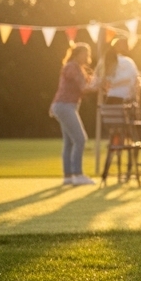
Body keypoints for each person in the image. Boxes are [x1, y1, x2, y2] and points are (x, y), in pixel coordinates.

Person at [50, 43, 98, 186]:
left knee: (70, 142)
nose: (87, 57)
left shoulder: (77, 68)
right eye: (85, 53)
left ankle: (68, 176)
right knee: (80, 139)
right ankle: (77, 174)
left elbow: (87, 84)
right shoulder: (72, 67)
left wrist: (98, 83)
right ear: (78, 54)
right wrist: (97, 85)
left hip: (65, 106)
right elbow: (84, 87)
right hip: (65, 106)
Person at [95, 38, 141, 108]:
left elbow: (98, 77)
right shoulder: (129, 62)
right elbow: (136, 81)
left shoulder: (106, 60)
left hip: (111, 97)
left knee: (110, 118)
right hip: (126, 98)